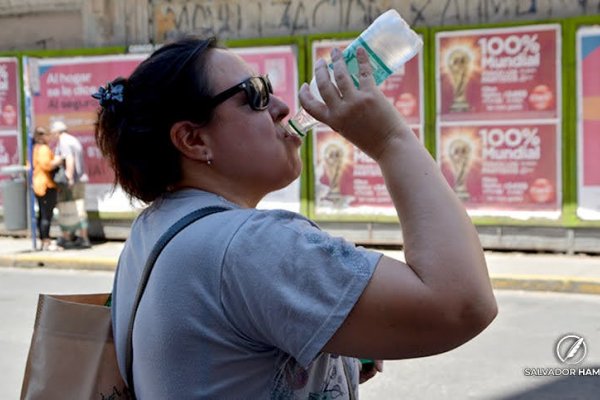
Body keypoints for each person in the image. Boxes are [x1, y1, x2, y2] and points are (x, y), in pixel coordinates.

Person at [94, 37, 497, 399]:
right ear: (193, 140)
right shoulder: (247, 244)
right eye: (255, 95)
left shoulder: (153, 230)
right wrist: (390, 140)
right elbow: (462, 303)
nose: (282, 106)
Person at [49, 120, 91, 249]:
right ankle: (81, 237)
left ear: (57, 132)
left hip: (72, 181)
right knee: (79, 207)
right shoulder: (73, 140)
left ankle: (71, 237)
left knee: (69, 207)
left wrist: (69, 178)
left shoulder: (64, 142)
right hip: (81, 179)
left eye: (53, 133)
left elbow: (70, 160)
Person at [32, 126, 63, 251]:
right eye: (46, 134)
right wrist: (58, 161)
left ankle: (43, 240)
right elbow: (46, 165)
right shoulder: (44, 148)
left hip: (37, 184)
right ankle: (46, 241)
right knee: (46, 215)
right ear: (41, 136)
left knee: (42, 214)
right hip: (46, 185)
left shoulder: (34, 148)